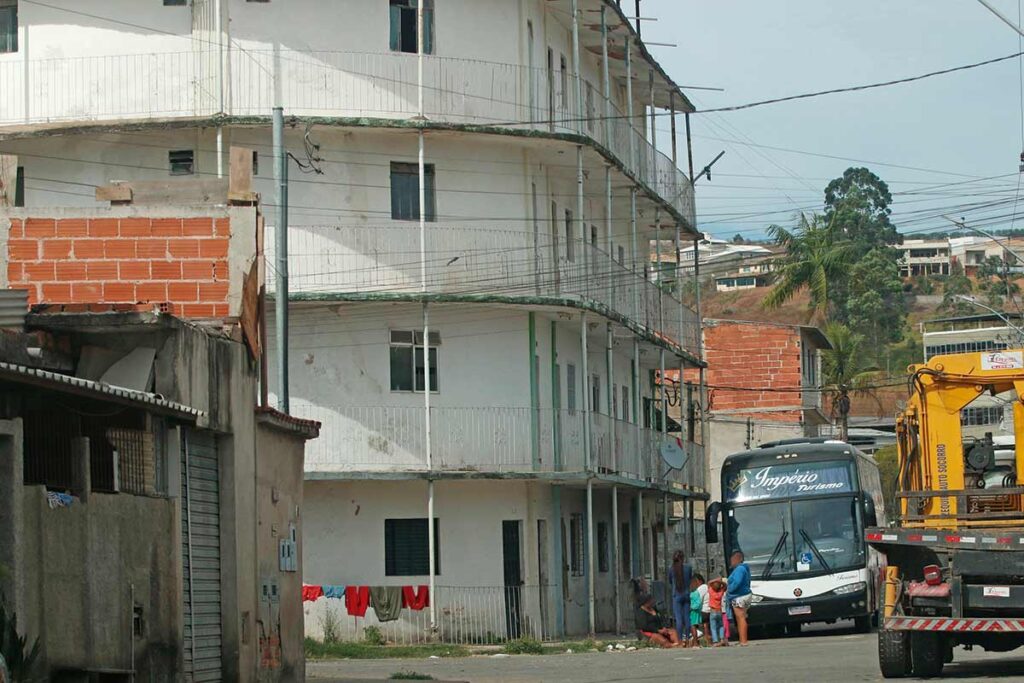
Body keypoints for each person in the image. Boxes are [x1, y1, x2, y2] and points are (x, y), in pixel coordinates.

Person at [726, 550, 753, 646]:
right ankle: (742, 640)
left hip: (739, 596)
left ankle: (744, 640)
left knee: (740, 618)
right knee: (741, 618)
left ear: (737, 559)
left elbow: (737, 582)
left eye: (732, 560)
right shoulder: (744, 569)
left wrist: (729, 589)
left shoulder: (739, 569)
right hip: (743, 595)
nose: (731, 562)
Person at [669, 550, 693, 644]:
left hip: (676, 594)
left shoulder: (671, 569)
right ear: (683, 558)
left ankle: (680, 639)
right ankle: (687, 637)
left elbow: (670, 581)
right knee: (687, 617)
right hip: (686, 594)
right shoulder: (688, 568)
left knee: (678, 618)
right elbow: (690, 579)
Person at [707, 576, 727, 646]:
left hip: (713, 611)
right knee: (721, 625)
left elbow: (709, 583)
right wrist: (721, 582)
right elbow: (725, 586)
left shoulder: (711, 590)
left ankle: (715, 641)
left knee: (713, 627)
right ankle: (722, 639)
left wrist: (715, 580)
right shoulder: (721, 592)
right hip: (719, 611)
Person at [689, 574, 707, 647]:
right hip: (697, 612)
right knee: (695, 627)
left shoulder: (696, 593)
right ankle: (696, 641)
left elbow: (698, 603)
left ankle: (695, 642)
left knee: (693, 626)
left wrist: (691, 607)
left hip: (694, 612)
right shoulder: (694, 593)